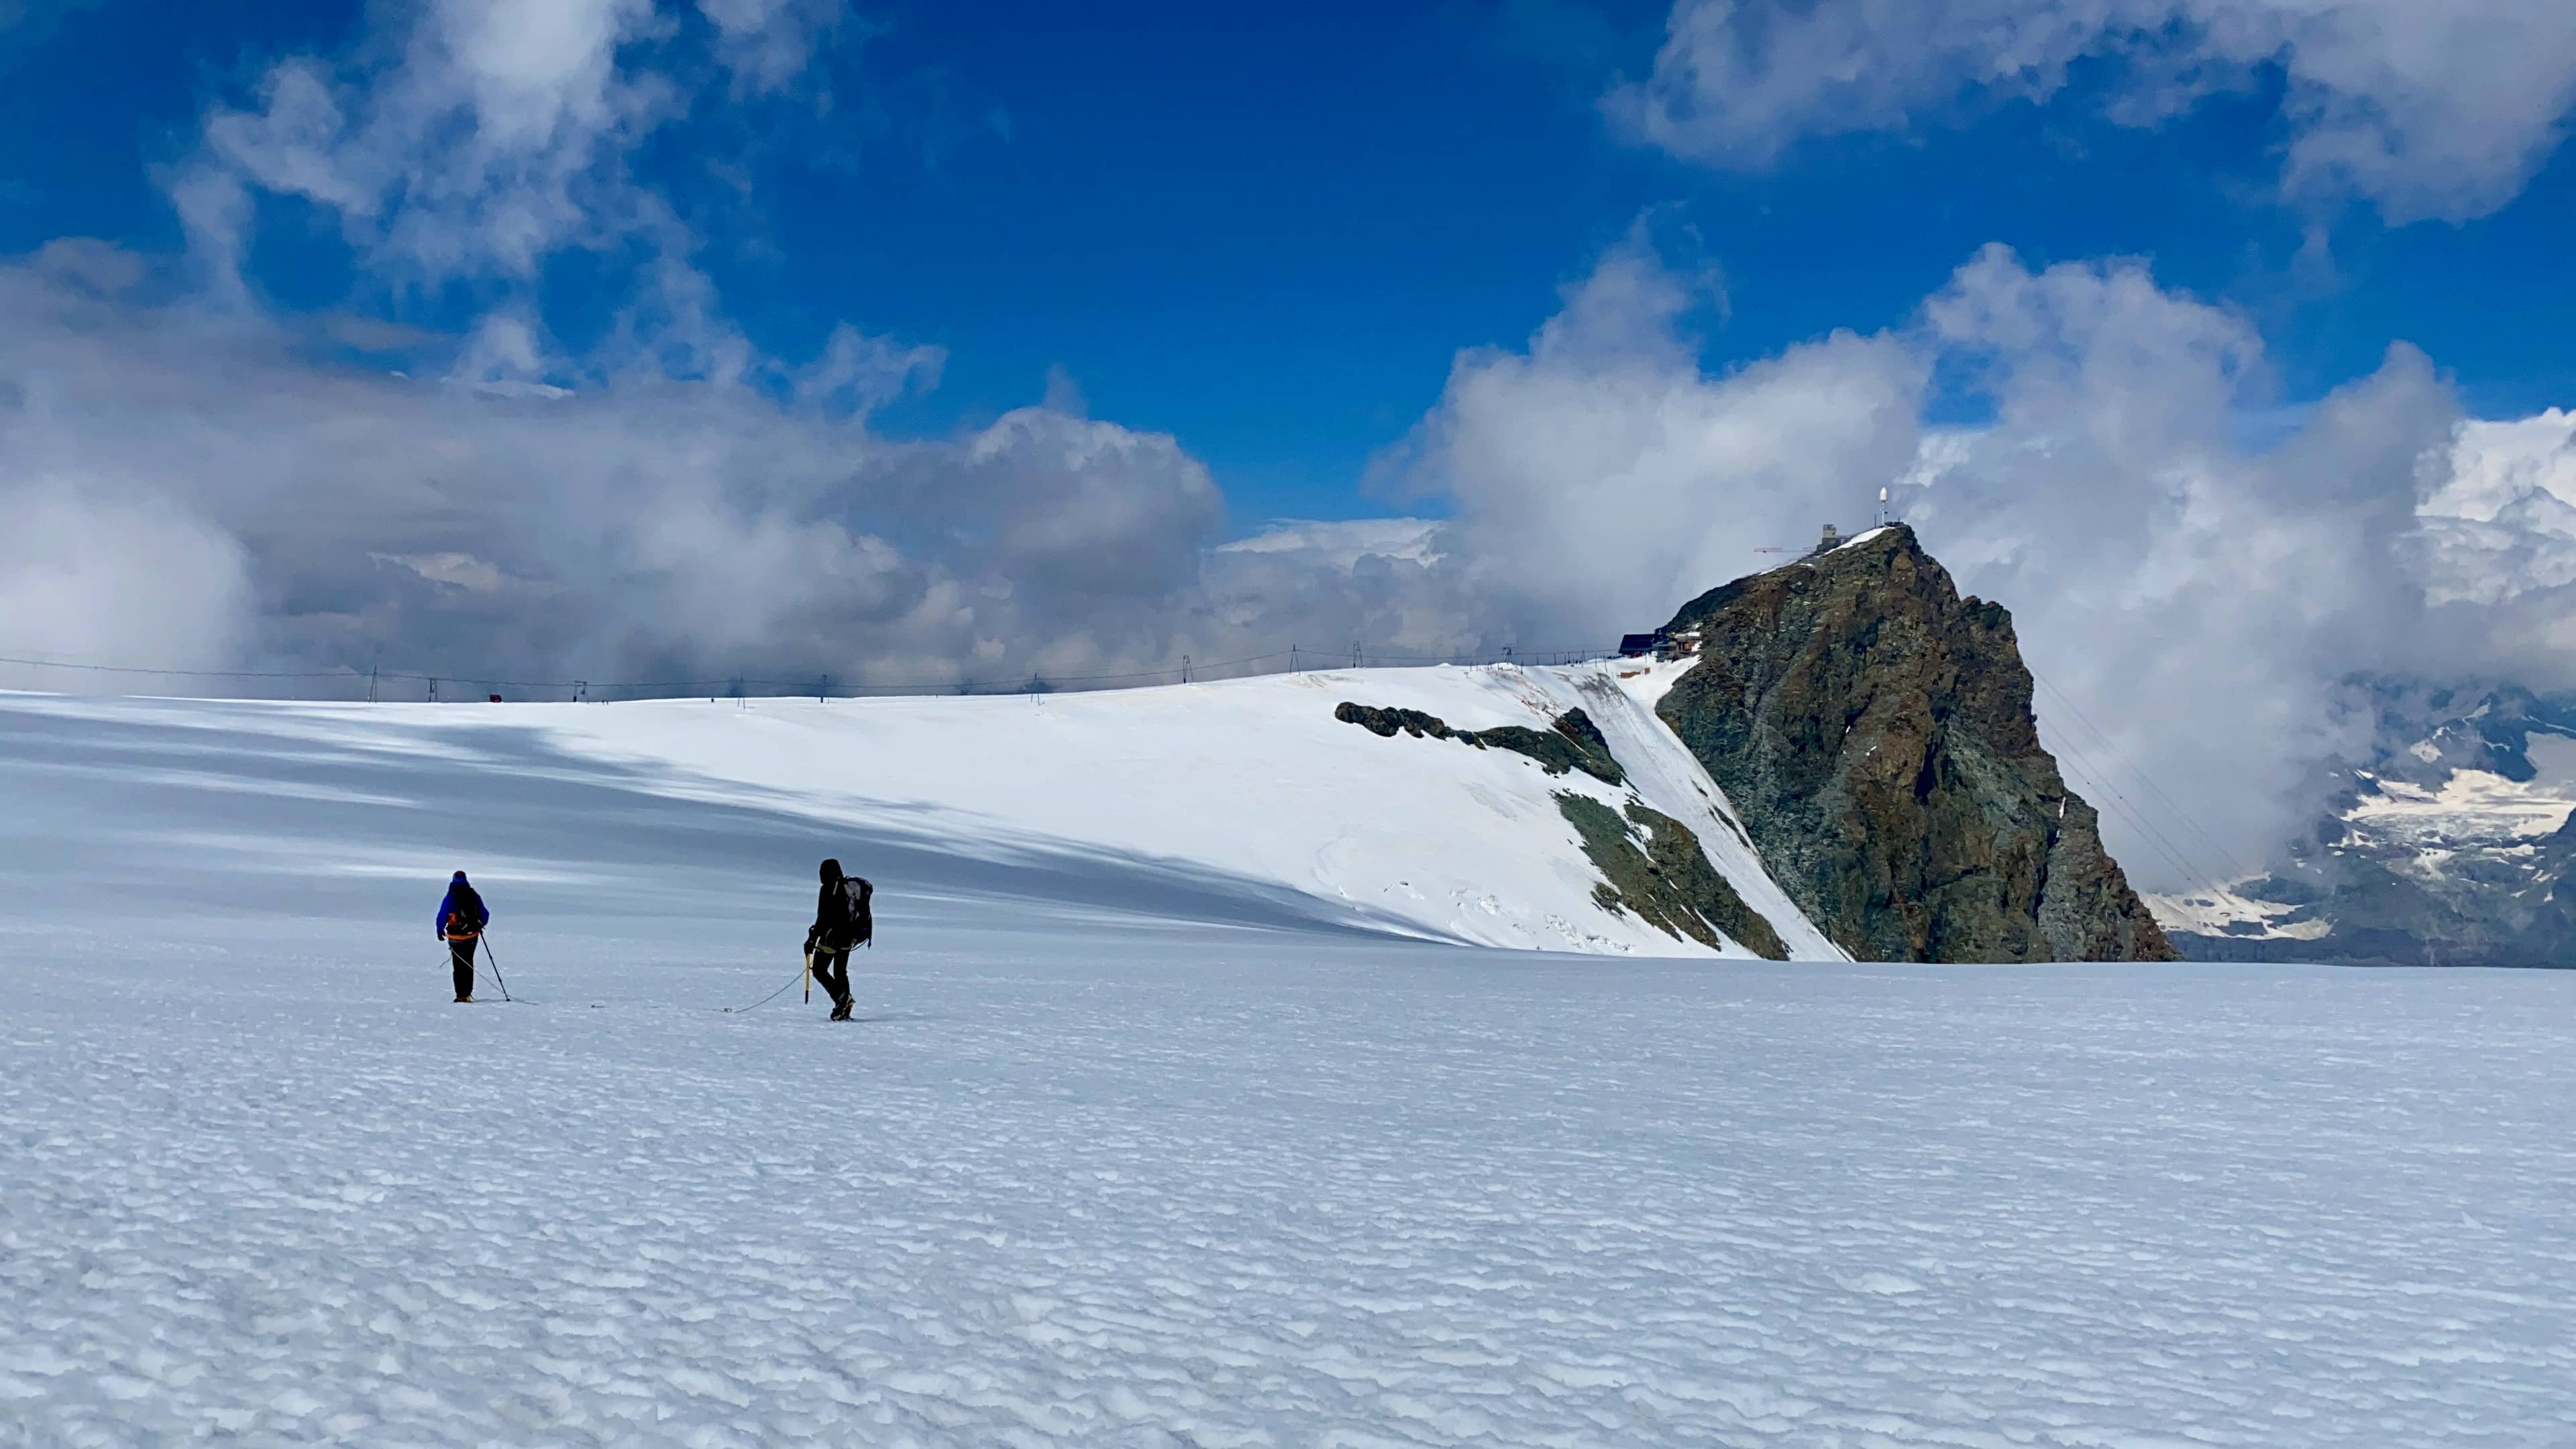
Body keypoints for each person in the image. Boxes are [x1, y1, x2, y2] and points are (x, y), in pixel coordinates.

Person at [804, 858, 873, 1022]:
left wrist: (812, 939)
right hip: (849, 938)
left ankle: (842, 1000)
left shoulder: (828, 889)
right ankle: (844, 1008)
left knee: (819, 970)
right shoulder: (848, 889)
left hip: (831, 938)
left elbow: (823, 918)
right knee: (840, 972)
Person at [437, 871, 490, 1003]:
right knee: (468, 963)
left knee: (458, 965)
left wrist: (440, 930)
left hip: (455, 938)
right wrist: (478, 925)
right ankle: (467, 994)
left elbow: (442, 915)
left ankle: (460, 994)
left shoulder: (450, 897)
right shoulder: (473, 896)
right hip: (472, 937)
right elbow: (485, 914)